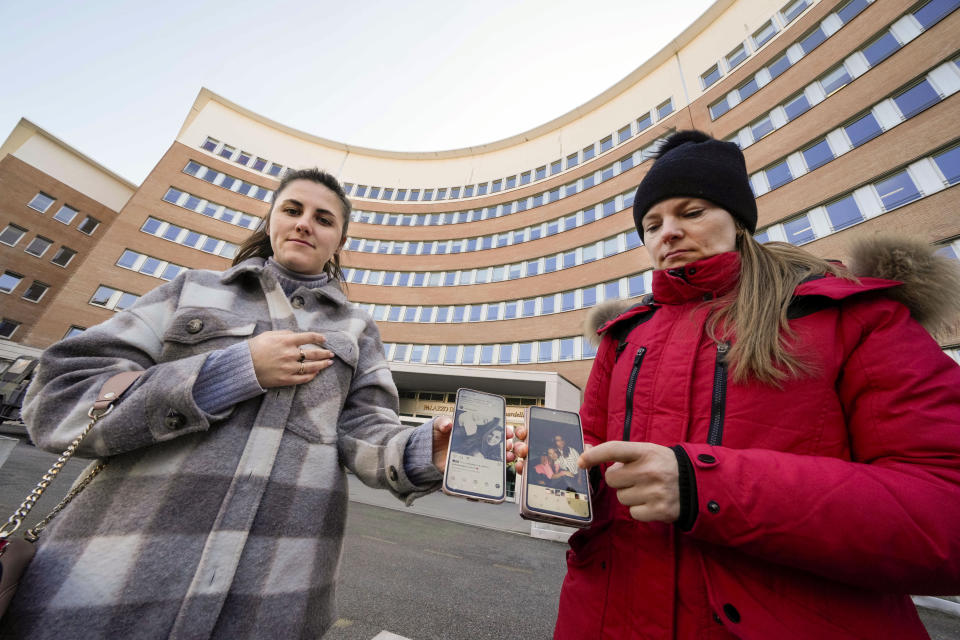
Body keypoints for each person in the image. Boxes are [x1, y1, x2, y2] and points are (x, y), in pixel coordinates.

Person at [513, 130, 960, 638]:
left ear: (738, 220)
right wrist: (567, 477)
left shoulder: (853, 317)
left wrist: (705, 486)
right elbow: (596, 462)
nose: (668, 233)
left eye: (692, 212)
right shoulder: (623, 337)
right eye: (652, 223)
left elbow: (945, 512)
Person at [2, 168, 453, 639]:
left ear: (339, 239)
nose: (304, 224)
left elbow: (366, 430)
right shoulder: (192, 290)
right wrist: (229, 374)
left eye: (323, 218)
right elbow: (60, 393)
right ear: (270, 220)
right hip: (108, 586)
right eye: (292, 210)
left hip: (274, 602)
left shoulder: (358, 331)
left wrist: (423, 451)